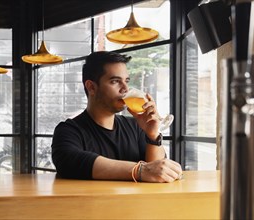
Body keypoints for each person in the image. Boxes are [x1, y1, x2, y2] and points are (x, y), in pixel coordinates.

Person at [51, 51, 182, 183]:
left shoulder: (136, 126)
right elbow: (69, 163)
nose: (125, 88)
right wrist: (140, 170)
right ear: (91, 87)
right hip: (92, 203)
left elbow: (157, 173)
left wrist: (153, 135)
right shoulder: (68, 130)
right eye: (115, 81)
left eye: (126, 81)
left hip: (136, 204)